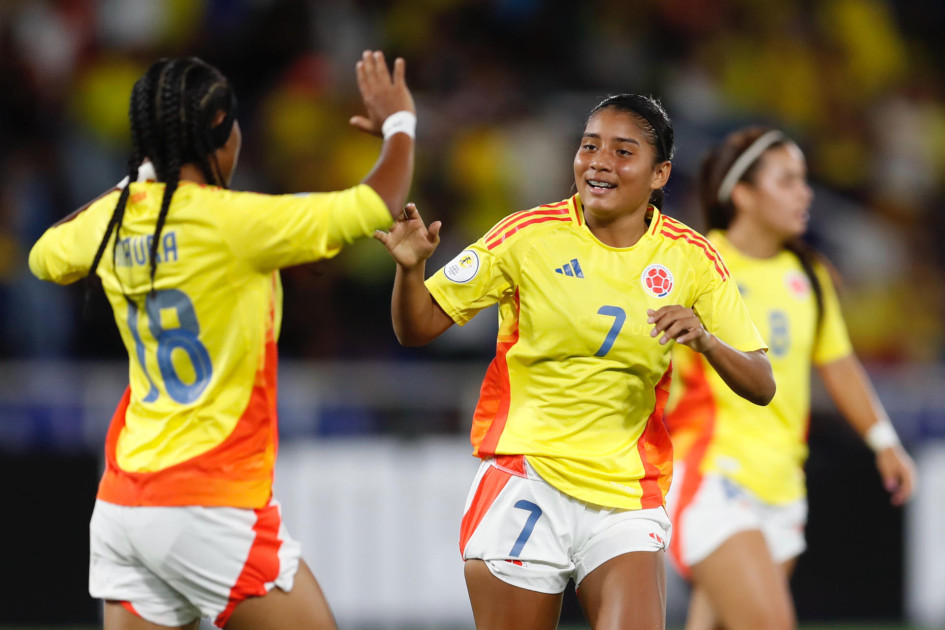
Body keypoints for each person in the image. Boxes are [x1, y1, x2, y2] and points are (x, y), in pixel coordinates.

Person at [28, 52, 415, 630]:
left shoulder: (112, 221)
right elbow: (376, 202)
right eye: (235, 126)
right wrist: (401, 123)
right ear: (218, 130)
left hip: (123, 506)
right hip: (209, 502)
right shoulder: (235, 223)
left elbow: (43, 256)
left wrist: (136, 178)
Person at [373, 94, 776, 630]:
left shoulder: (691, 257)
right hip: (526, 478)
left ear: (660, 174)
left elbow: (761, 382)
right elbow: (417, 328)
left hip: (625, 493)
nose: (599, 162)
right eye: (590, 147)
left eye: (622, 151)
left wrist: (706, 342)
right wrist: (410, 270)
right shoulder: (526, 237)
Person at [664, 127, 918, 630]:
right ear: (743, 194)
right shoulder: (691, 263)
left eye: (804, 180)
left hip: (782, 485)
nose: (806, 193)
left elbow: (838, 363)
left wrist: (883, 439)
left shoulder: (809, 275)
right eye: (788, 180)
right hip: (709, 475)